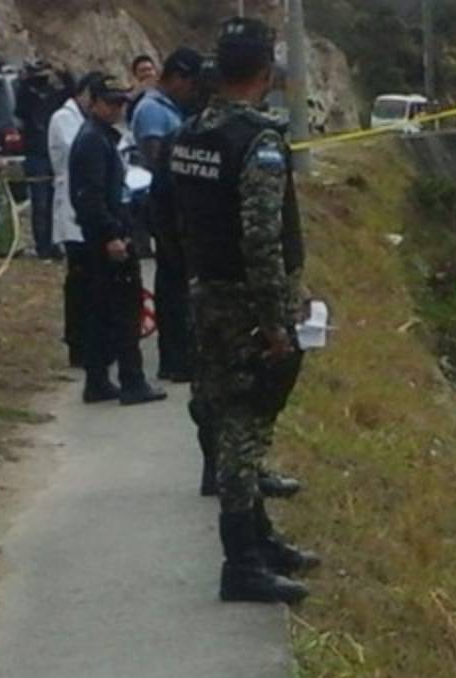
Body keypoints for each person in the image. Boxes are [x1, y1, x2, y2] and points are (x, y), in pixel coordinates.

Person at [171, 17, 319, 604]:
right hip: (245, 305)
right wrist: (276, 321)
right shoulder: (255, 143)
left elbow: (175, 220)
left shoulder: (191, 136)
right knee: (244, 430)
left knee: (227, 413)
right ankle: (242, 563)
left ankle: (261, 541)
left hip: (206, 292)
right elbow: (262, 238)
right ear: (265, 74)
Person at [69, 75, 167, 407]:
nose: (117, 108)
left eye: (121, 102)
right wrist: (111, 234)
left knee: (104, 312)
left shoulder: (102, 139)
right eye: (111, 102)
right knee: (126, 312)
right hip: (107, 239)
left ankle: (97, 380)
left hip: (106, 234)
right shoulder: (93, 142)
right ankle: (132, 380)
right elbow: (89, 196)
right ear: (94, 103)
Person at [133, 47, 202, 382]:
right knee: (173, 284)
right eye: (191, 84)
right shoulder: (151, 111)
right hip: (162, 205)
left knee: (178, 284)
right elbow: (155, 161)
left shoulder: (169, 108)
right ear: (177, 77)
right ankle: (173, 358)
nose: (193, 93)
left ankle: (180, 354)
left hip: (173, 205)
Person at [49, 71, 101, 368]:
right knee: (79, 282)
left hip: (84, 206)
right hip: (70, 205)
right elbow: (78, 152)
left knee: (91, 281)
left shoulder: (85, 122)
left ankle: (90, 341)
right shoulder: (64, 118)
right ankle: (77, 343)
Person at [15, 60, 70, 260]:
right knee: (40, 203)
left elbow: (71, 93)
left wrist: (63, 73)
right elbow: (19, 111)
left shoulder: (54, 95)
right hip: (36, 154)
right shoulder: (27, 94)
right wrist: (25, 81)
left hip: (53, 154)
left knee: (56, 202)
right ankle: (43, 247)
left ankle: (55, 244)